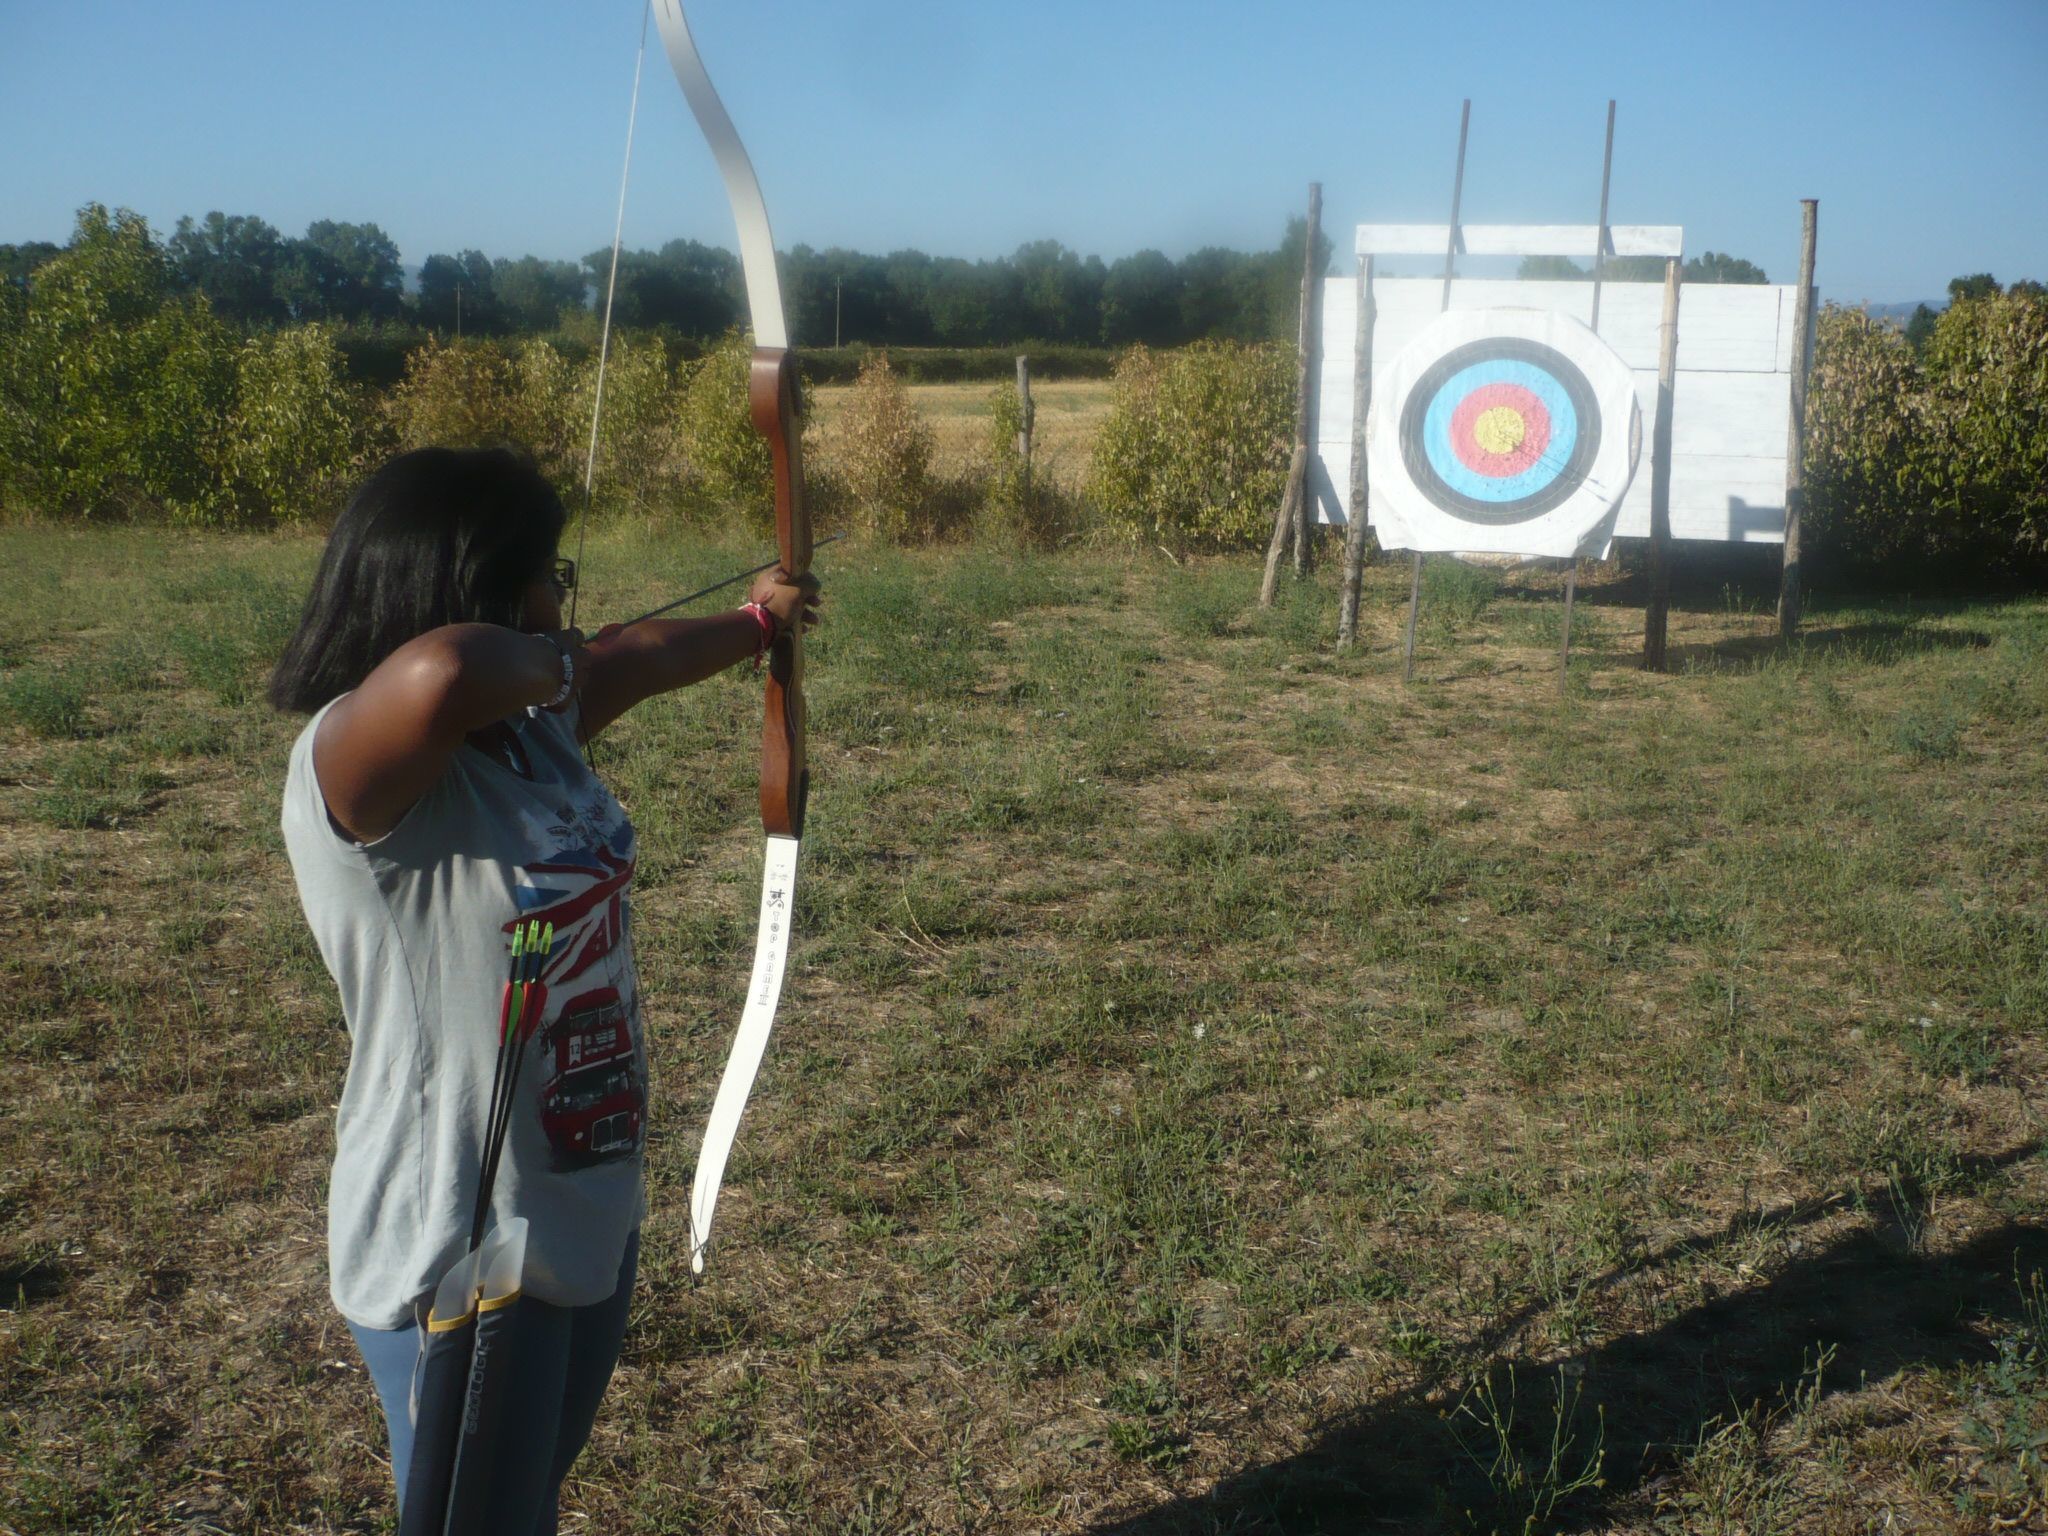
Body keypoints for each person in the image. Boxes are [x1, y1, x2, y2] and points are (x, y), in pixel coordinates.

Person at [268, 445, 818, 1530]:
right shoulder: (359, 764)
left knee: (525, 1505)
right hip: (461, 1237)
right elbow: (445, 675)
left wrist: (759, 624)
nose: (567, 603)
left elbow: (640, 654)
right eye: (550, 576)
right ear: (481, 585)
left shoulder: (530, 736)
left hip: (578, 1193)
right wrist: (553, 658)